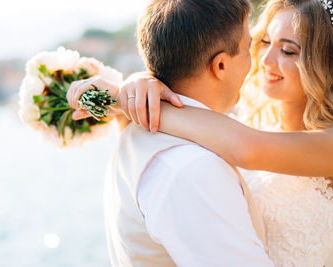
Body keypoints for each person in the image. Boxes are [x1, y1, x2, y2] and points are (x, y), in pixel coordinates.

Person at [69, 0, 333, 266]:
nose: (263, 59)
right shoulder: (237, 125)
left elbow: (247, 148)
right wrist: (139, 89)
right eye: (263, 41)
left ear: (324, 62)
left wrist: (135, 103)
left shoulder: (230, 139)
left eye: (288, 50)